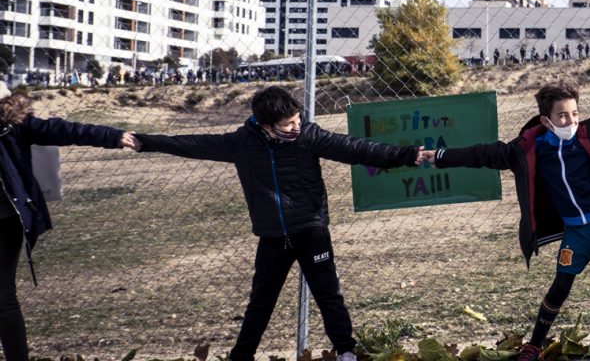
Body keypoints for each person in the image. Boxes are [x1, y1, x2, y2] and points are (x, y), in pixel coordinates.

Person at [133, 86, 427, 361]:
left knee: (328, 294)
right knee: (260, 302)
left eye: (298, 119)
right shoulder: (241, 143)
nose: (296, 127)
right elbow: (191, 144)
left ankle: (345, 351)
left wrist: (407, 155)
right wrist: (145, 142)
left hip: (311, 230)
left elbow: (355, 148)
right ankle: (242, 356)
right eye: (288, 124)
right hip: (273, 237)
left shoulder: (308, 136)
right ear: (265, 125)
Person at [424, 82, 590, 361]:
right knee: (560, 287)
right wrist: (442, 157)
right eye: (563, 116)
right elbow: (485, 154)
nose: (571, 121)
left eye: (575, 114)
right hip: (575, 234)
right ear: (546, 120)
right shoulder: (532, 147)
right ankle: (534, 346)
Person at [0, 82, 138, 361]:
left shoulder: (14, 126)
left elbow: (64, 130)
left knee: (2, 297)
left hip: (5, 220)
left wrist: (112, 136)